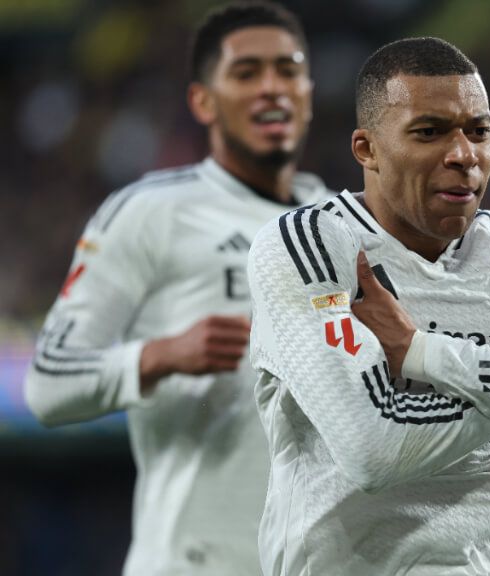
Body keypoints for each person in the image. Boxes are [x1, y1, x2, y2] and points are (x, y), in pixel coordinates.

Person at [247, 36, 490, 575]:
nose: (463, 155)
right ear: (367, 149)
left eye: (479, 131)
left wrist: (427, 355)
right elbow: (374, 450)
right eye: (429, 132)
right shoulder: (311, 247)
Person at [23, 3, 330, 574]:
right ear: (203, 102)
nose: (272, 88)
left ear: (309, 90)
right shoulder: (150, 214)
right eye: (246, 73)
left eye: (288, 70)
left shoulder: (342, 228)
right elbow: (47, 385)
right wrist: (161, 355)